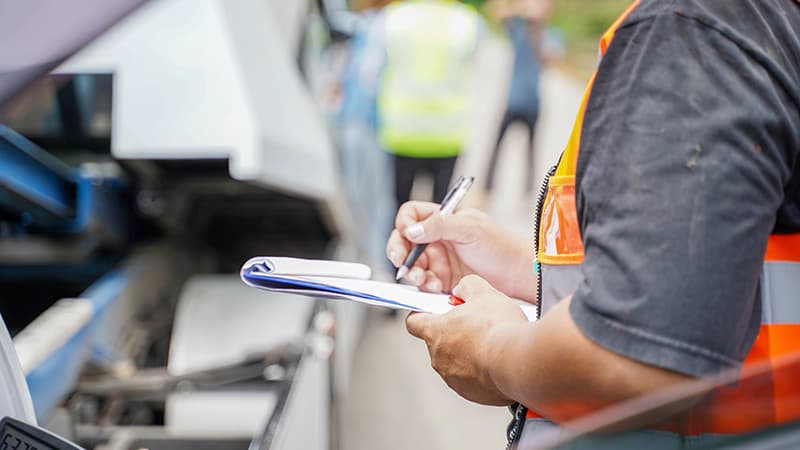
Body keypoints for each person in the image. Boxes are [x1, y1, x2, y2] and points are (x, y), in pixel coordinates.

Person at [385, 0, 800, 447]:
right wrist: (522, 269)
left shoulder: (691, 27)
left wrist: (489, 352)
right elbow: (703, 278)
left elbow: (639, 352)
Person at [375, 0, 485, 207]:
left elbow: (371, 73)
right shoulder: (469, 22)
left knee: (399, 212)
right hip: (447, 133)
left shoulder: (394, 17)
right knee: (441, 213)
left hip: (402, 131)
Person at [485, 0, 552, 195]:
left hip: (533, 103)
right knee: (496, 149)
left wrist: (538, 28)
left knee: (531, 151)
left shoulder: (549, 36)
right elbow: (496, 11)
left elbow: (550, 57)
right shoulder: (518, 30)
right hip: (513, 101)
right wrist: (522, 9)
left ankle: (529, 191)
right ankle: (487, 188)